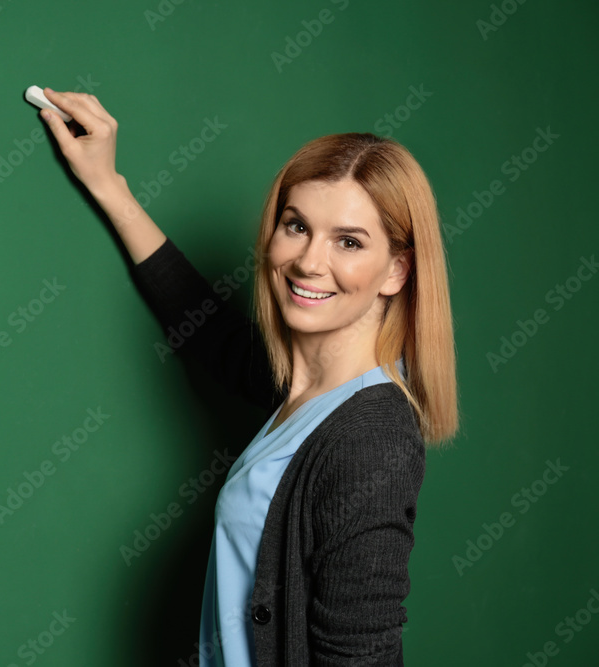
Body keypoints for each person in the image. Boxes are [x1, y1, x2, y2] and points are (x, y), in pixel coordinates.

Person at [35, 88, 458, 665]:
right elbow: (210, 333)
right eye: (296, 226)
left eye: (349, 242)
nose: (309, 262)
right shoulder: (302, 387)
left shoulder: (370, 438)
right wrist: (109, 185)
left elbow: (360, 653)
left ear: (396, 271)